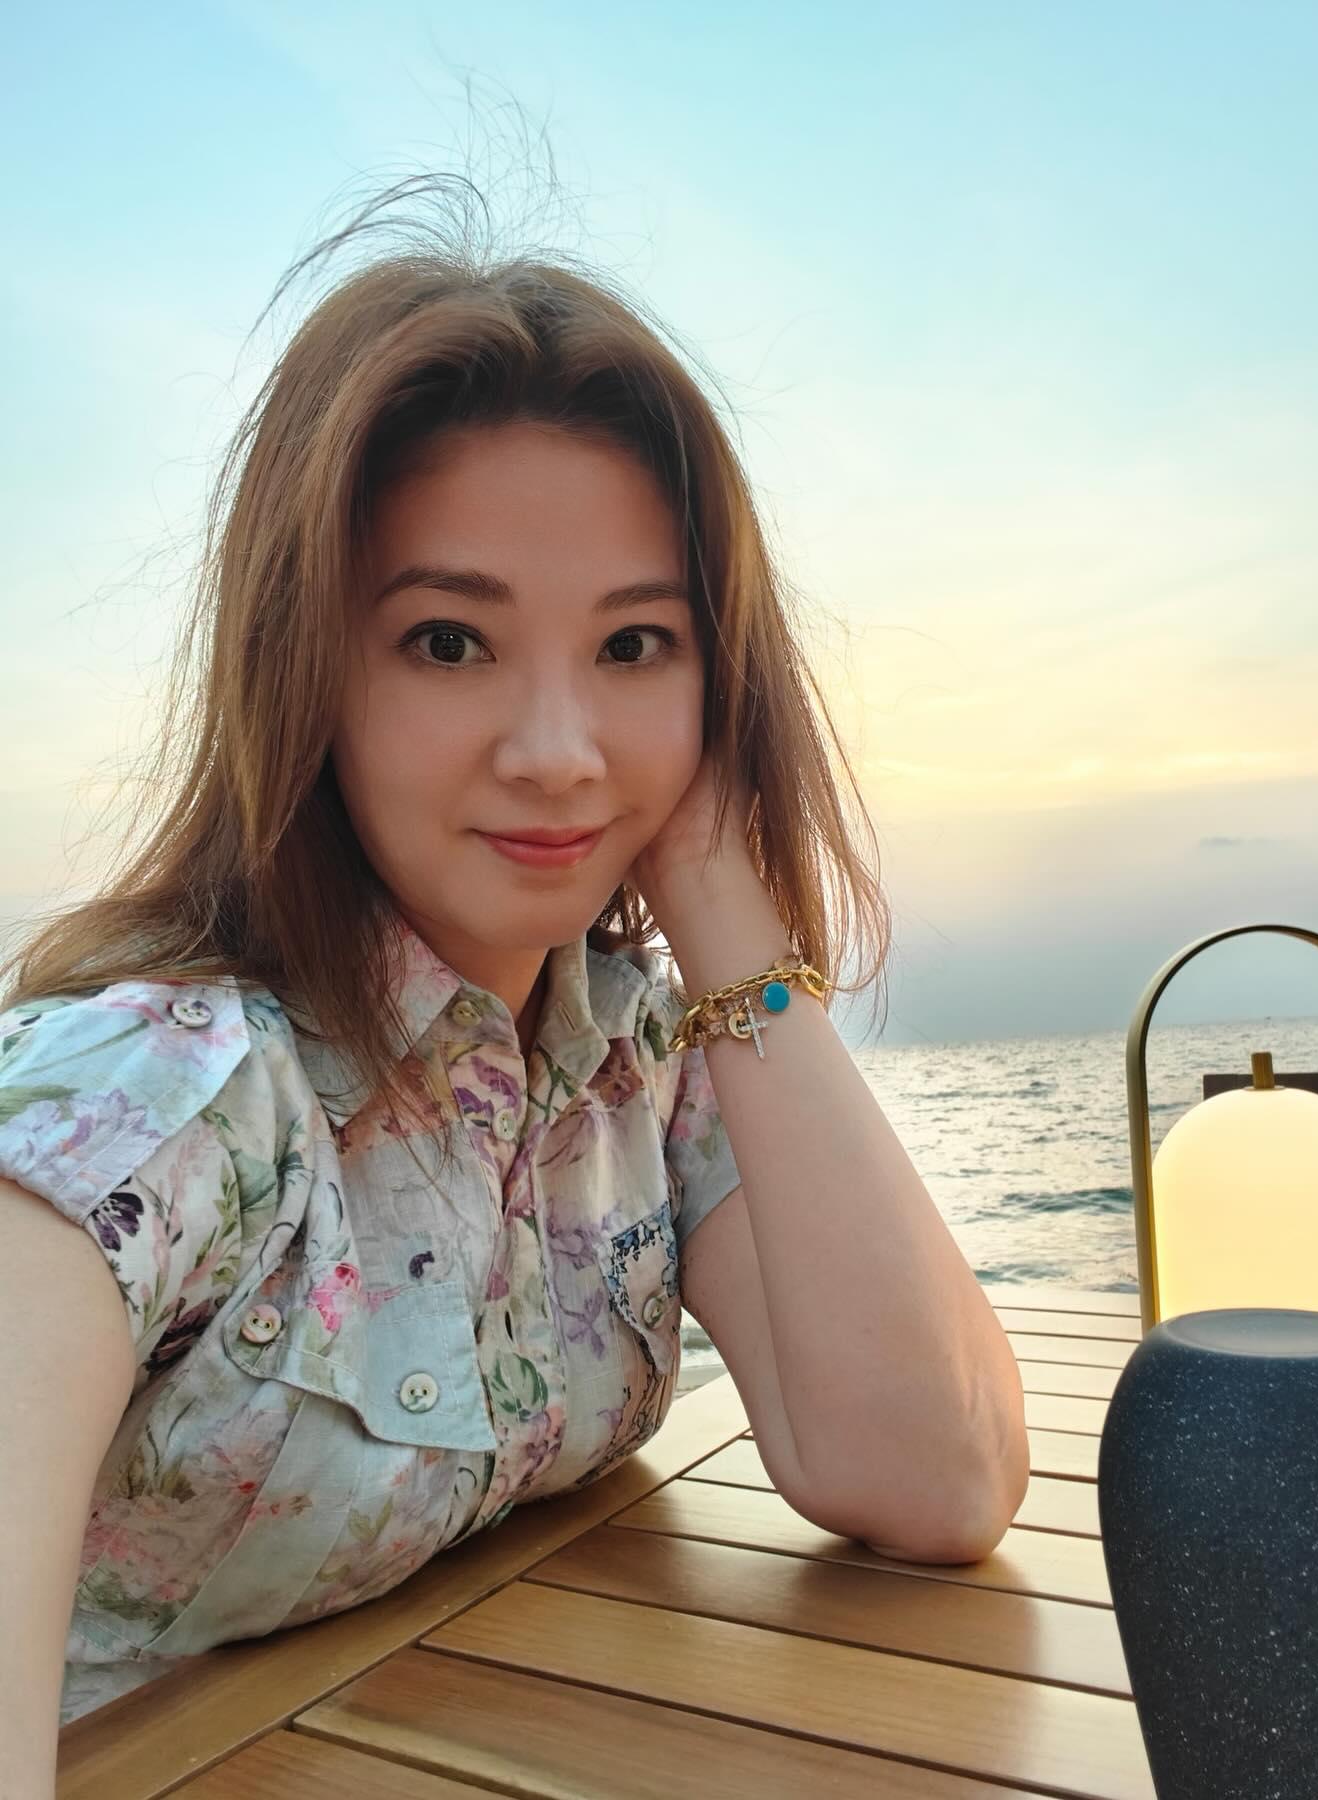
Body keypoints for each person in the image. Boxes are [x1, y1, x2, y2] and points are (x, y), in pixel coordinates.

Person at [0, 176, 1029, 1787]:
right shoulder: (155, 1104)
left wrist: (714, 881)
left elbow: (935, 1476)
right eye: (448, 641)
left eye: (634, 647)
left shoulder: (635, 1070)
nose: (558, 752)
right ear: (305, 666)